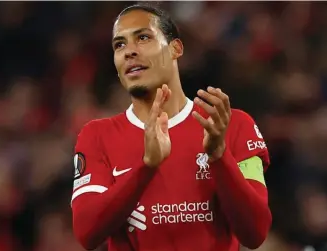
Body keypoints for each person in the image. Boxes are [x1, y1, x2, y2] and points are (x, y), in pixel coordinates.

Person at [71, 3, 272, 251]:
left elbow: (255, 233)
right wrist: (146, 167)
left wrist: (219, 155)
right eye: (119, 44)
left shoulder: (232, 124)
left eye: (143, 37)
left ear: (175, 48)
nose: (129, 52)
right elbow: (86, 233)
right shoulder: (97, 135)